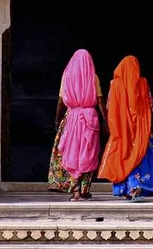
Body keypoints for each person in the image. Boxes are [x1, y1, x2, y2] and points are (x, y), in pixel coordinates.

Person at [98, 55, 153, 201]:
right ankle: (135, 188)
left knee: (125, 155)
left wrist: (112, 123)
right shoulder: (143, 83)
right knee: (140, 156)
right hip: (141, 128)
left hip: (123, 129)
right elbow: (152, 104)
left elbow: (108, 106)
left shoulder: (115, 84)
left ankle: (129, 189)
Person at [48, 49, 107, 201]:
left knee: (71, 153)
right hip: (90, 119)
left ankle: (75, 192)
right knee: (88, 154)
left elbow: (61, 101)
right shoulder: (93, 78)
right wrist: (106, 120)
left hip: (71, 119)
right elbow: (100, 100)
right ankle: (84, 190)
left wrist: (57, 119)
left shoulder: (67, 77)